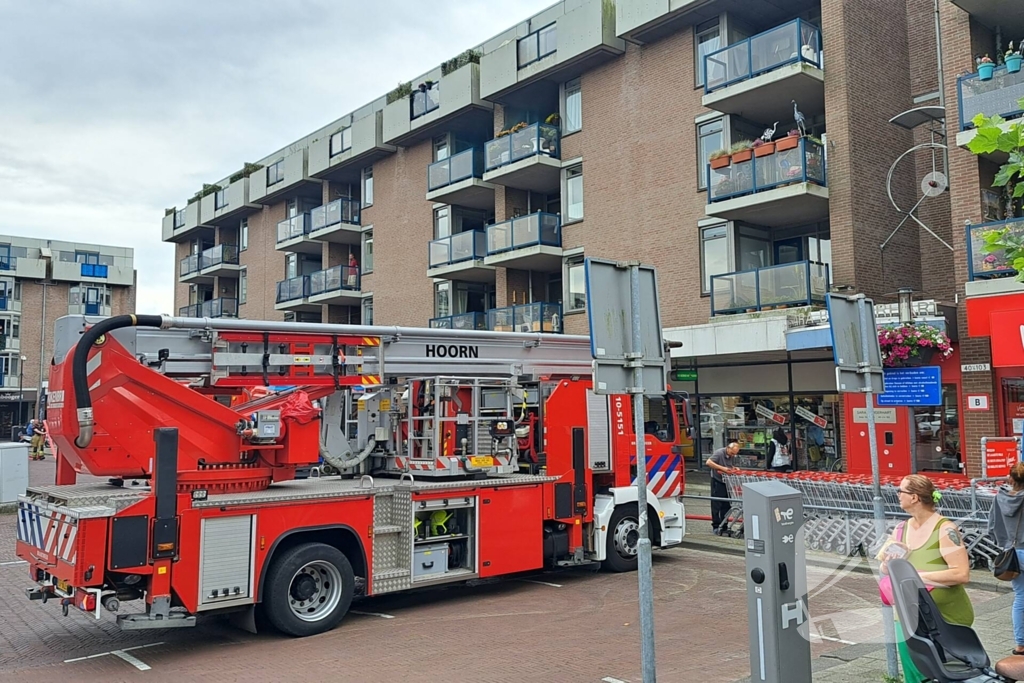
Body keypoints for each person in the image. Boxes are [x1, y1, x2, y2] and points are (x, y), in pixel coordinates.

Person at [880, 474, 974, 683]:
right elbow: (885, 567)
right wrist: (887, 565)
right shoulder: (900, 529)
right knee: (914, 675)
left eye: (901, 491)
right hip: (907, 616)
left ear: (914, 497)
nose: (897, 495)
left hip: (944, 620)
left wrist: (917, 577)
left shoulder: (945, 529)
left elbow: (961, 573)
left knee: (945, 675)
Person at [989, 461, 1024, 656]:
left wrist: (1005, 543)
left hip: (1012, 553)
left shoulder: (999, 498)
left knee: (1020, 598)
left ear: (1011, 478)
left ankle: (1020, 645)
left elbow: (992, 525)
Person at [705, 442, 740, 536]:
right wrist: (723, 469)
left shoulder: (731, 455)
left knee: (726, 504)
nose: (733, 455)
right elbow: (708, 462)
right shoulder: (719, 453)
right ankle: (716, 526)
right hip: (718, 480)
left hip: (727, 481)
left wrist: (734, 468)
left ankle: (724, 525)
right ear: (728, 448)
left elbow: (729, 465)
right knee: (717, 504)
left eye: (734, 454)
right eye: (732, 453)